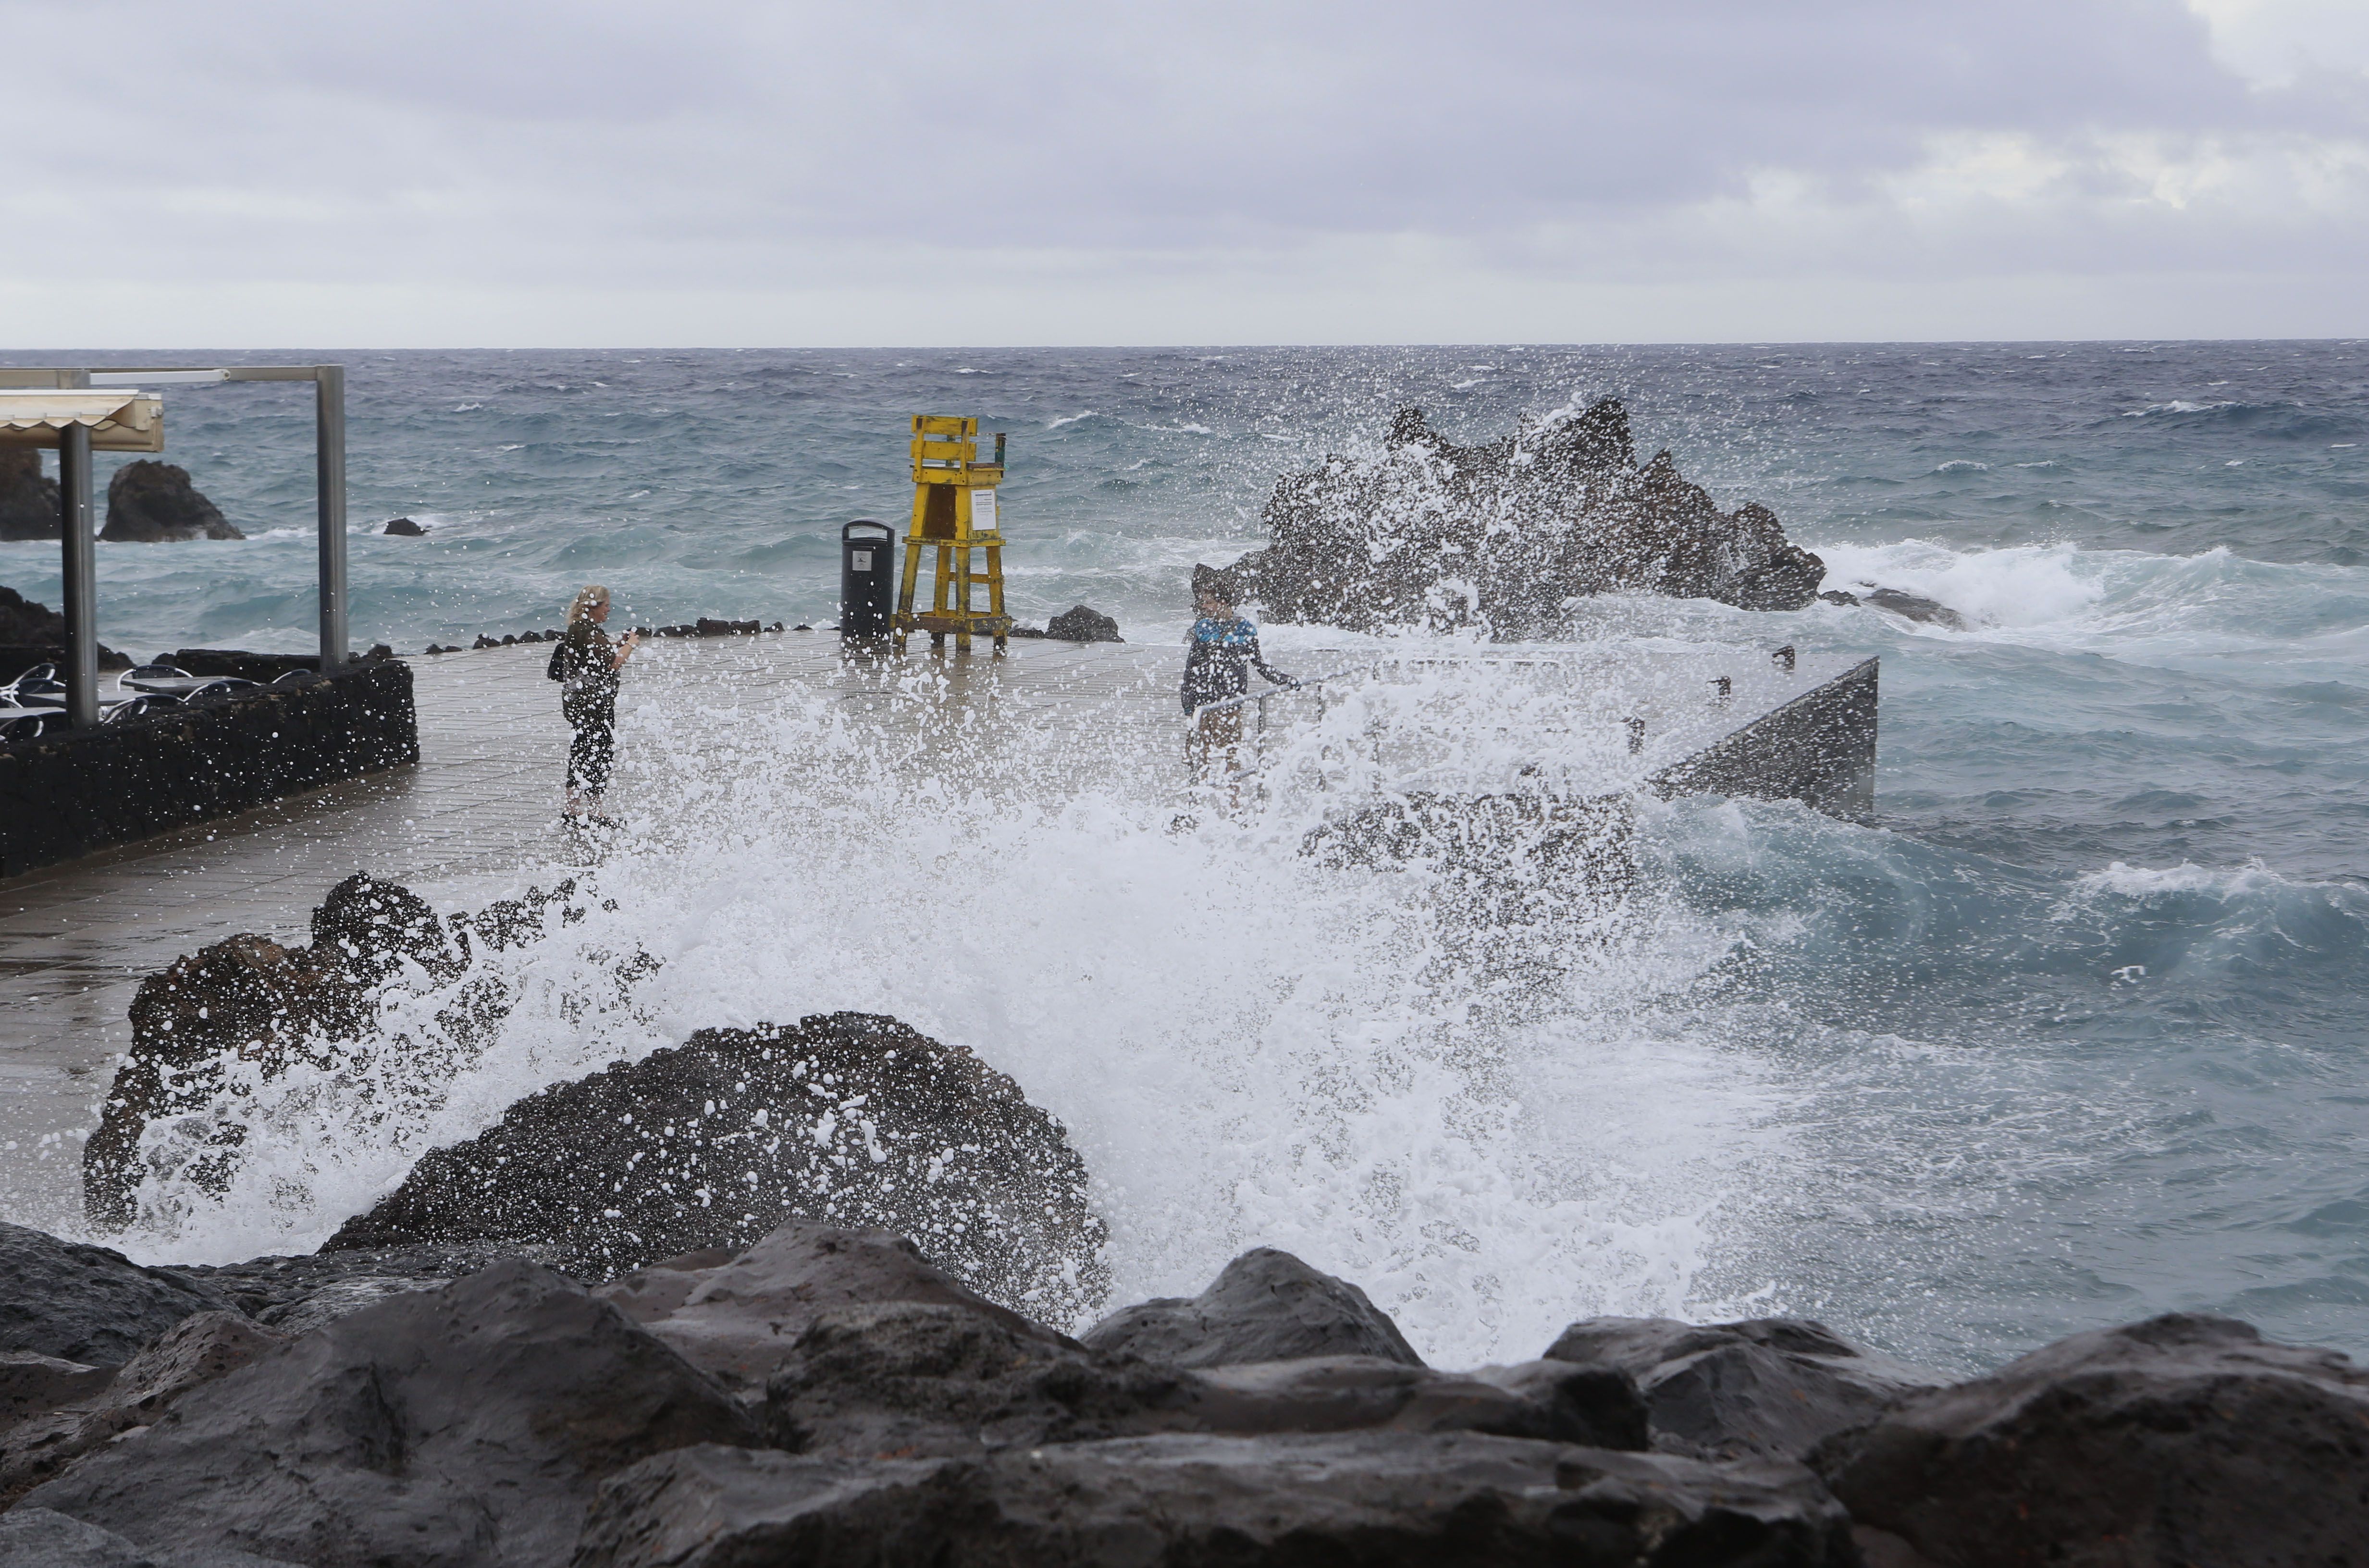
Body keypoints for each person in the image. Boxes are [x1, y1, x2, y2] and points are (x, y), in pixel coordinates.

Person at [1181, 568, 1293, 774]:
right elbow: (1191, 668)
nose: (1203, 607)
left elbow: (1259, 664)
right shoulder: (1203, 628)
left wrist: (1284, 679)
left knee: (1231, 754)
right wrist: (1187, 702)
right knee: (1199, 756)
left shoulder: (1246, 629)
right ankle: (1198, 799)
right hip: (1201, 700)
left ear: (1222, 603)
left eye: (1208, 602)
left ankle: (1234, 802)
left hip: (1230, 700)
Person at [548, 584, 641, 826]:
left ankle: (572, 809)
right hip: (593, 703)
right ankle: (596, 812)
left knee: (581, 750)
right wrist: (630, 644)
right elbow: (613, 663)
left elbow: (596, 657)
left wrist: (617, 643)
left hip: (580, 702)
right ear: (594, 606)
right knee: (600, 751)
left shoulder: (579, 629)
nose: (609, 610)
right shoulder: (587, 631)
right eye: (606, 605)